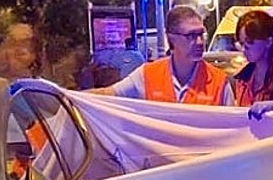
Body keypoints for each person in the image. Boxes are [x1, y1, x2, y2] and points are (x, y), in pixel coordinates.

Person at [95, 6, 232, 105]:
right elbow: (110, 94)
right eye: (191, 35)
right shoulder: (147, 74)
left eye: (201, 34)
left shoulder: (219, 82)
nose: (200, 42)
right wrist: (74, 98)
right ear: (171, 38)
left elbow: (233, 129)